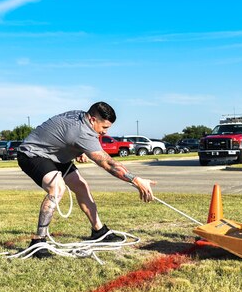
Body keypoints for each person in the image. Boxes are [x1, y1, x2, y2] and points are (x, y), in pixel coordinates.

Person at [17, 101, 156, 257]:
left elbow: (65, 137)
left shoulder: (82, 118)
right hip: (32, 155)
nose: (105, 132)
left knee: (81, 186)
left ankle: (99, 232)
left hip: (55, 156)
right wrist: (136, 180)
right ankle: (38, 242)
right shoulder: (81, 131)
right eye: (104, 127)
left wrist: (80, 149)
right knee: (57, 188)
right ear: (92, 120)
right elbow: (109, 164)